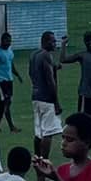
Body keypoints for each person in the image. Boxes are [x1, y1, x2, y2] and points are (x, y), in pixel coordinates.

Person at [28, 30, 65, 160]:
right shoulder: (46, 55)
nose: (55, 44)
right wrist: (56, 102)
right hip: (47, 99)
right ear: (45, 42)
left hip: (36, 97)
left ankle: (37, 159)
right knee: (48, 133)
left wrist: (55, 67)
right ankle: (44, 160)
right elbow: (50, 80)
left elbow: (31, 73)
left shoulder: (34, 55)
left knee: (38, 132)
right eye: (52, 41)